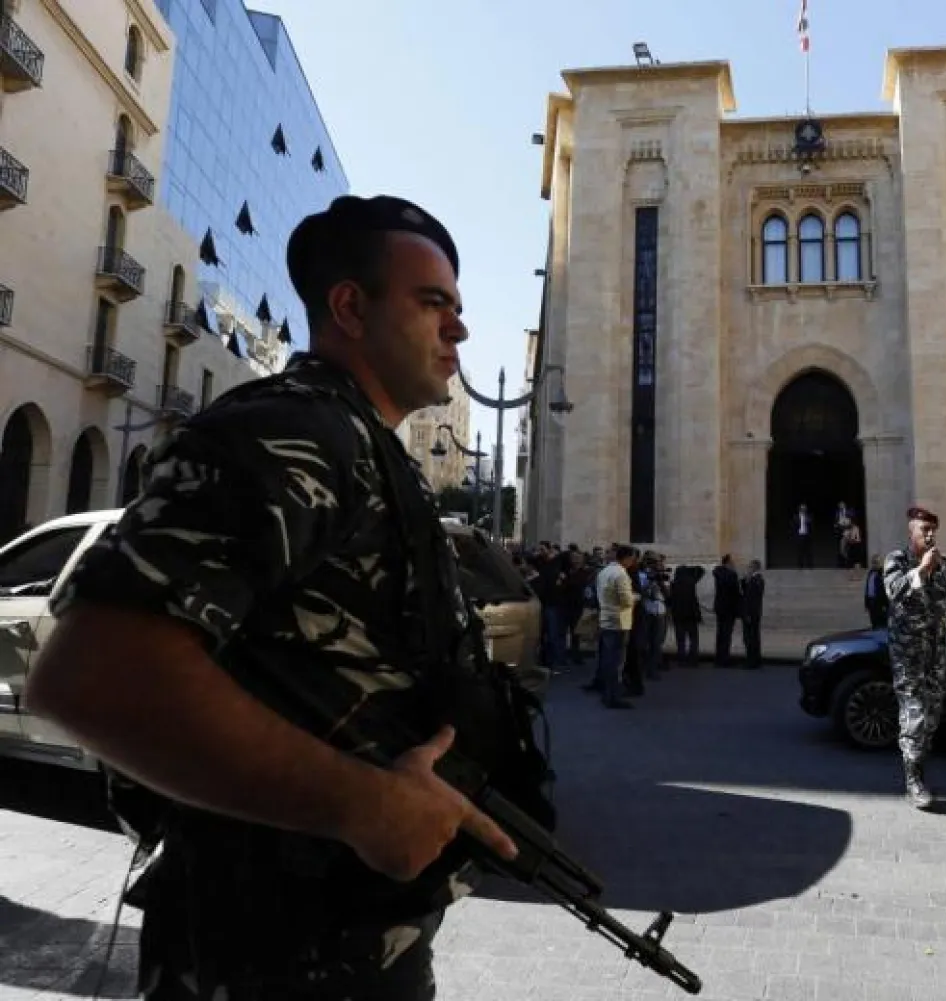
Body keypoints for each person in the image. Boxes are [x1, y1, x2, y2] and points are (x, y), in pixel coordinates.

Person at [25, 195, 520, 1000]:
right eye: (433, 304)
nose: (458, 329)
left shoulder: (360, 446)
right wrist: (361, 804)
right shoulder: (290, 430)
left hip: (348, 942)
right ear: (350, 307)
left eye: (458, 308)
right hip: (260, 954)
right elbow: (91, 673)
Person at [882, 506, 946, 811]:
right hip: (908, 655)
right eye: (924, 530)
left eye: (933, 529)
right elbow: (894, 591)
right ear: (912, 532)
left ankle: (919, 766)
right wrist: (921, 570)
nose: (930, 534)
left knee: (932, 715)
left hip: (936, 655)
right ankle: (914, 780)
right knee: (915, 712)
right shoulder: (897, 560)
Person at [592, 544, 639, 708]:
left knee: (607, 659)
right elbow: (626, 600)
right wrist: (636, 597)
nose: (633, 562)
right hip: (619, 621)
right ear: (625, 558)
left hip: (605, 618)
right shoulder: (621, 574)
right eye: (632, 558)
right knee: (617, 661)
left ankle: (607, 693)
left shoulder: (604, 572)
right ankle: (613, 697)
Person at [741, 560, 765, 669]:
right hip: (754, 613)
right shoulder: (755, 580)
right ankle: (755, 660)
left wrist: (748, 614)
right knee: (753, 637)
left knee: (750, 638)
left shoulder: (756, 580)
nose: (748, 569)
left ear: (754, 568)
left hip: (751, 613)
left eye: (750, 567)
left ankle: (751, 661)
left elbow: (751, 599)